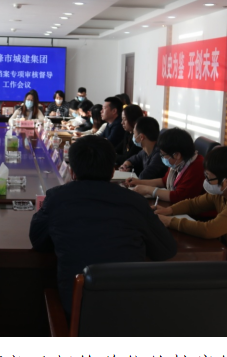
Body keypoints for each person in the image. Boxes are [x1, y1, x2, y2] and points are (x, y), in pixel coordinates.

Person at [29, 134, 177, 316]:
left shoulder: (56, 198)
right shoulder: (135, 202)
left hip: (78, 314)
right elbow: (166, 250)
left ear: (72, 172)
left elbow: (38, 241)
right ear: (113, 171)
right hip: (132, 313)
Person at [126, 127, 205, 203]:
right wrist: (139, 182)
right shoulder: (178, 163)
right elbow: (164, 181)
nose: (162, 157)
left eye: (163, 155)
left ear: (177, 155)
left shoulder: (196, 167)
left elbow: (178, 196)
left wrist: (148, 190)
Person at [118, 116, 166, 180]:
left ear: (141, 137)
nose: (133, 136)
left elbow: (144, 176)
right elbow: (134, 159)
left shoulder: (159, 154)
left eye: (134, 133)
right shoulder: (145, 151)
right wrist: (126, 165)